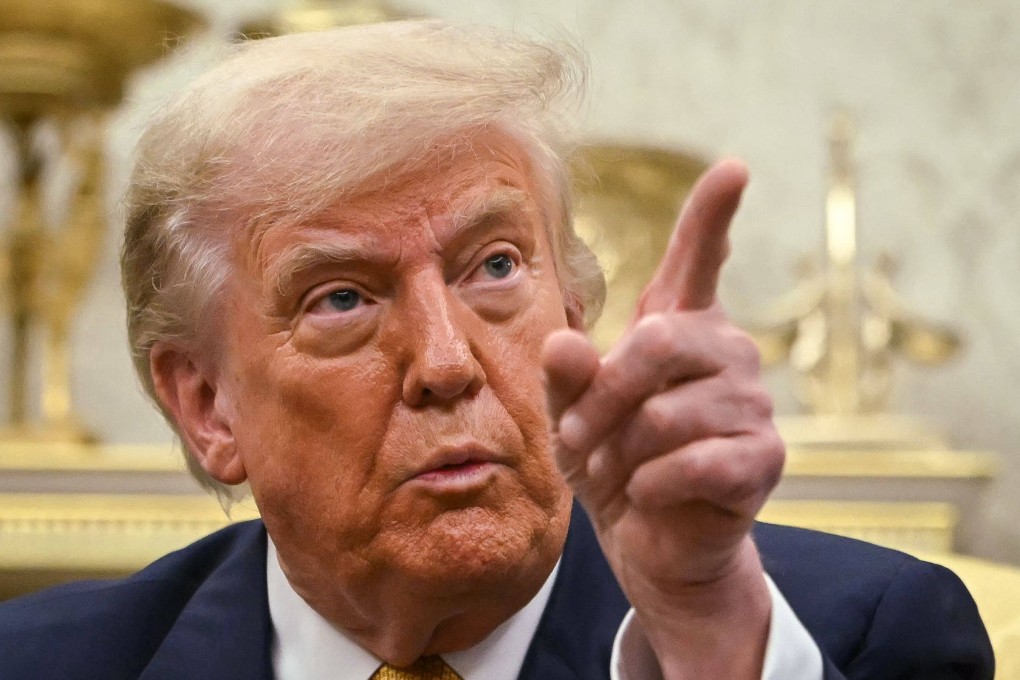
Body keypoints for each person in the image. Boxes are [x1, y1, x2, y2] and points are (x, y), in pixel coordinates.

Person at [0, 20, 993, 680]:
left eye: (494, 267)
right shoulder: (47, 662)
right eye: (342, 296)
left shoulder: (853, 638)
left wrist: (703, 630)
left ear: (573, 308)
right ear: (208, 404)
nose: (446, 361)